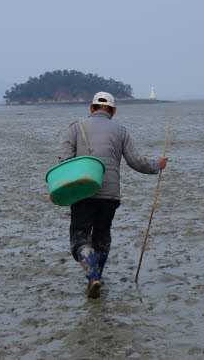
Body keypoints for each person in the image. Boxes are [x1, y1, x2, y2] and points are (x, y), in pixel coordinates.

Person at [58, 91, 168, 298]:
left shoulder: (75, 127)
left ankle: (92, 278)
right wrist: (157, 166)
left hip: (82, 192)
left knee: (80, 238)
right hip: (110, 196)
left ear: (91, 109)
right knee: (102, 238)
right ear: (113, 111)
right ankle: (97, 276)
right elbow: (136, 162)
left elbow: (64, 161)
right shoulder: (121, 132)